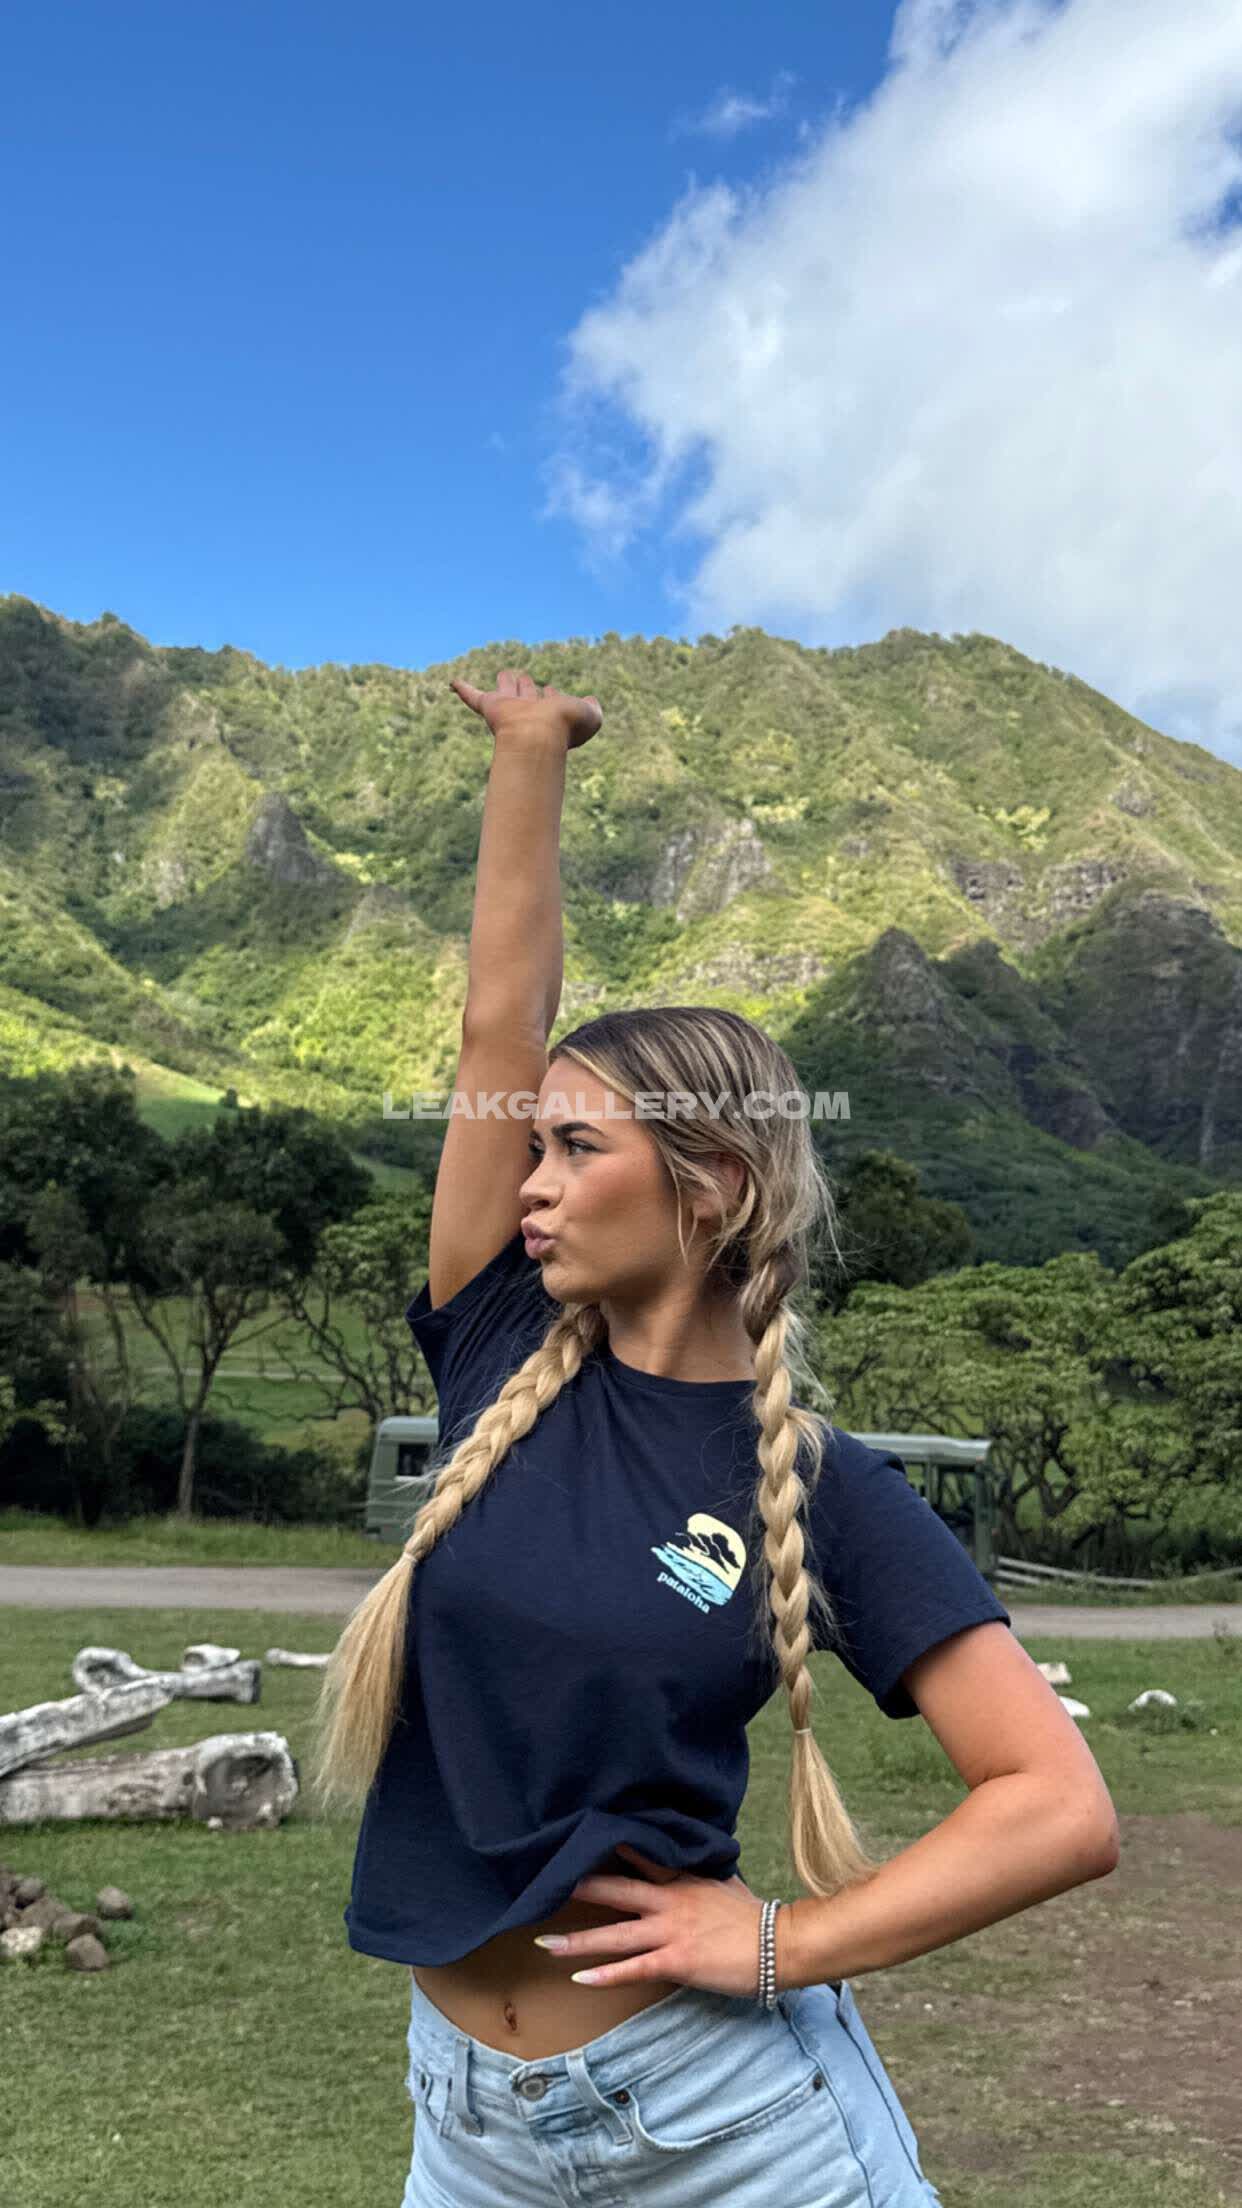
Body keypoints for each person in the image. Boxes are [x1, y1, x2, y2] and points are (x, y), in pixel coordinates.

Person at [308, 669, 1120, 2207]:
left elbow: (1055, 1807)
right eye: (528, 1147)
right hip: (466, 2132)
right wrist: (530, 754)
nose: (530, 1181)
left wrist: (778, 1942)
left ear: (713, 1185)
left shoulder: (817, 1486)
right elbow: (498, 1022)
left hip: (723, 2130)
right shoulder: (493, 1341)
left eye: (576, 1147)